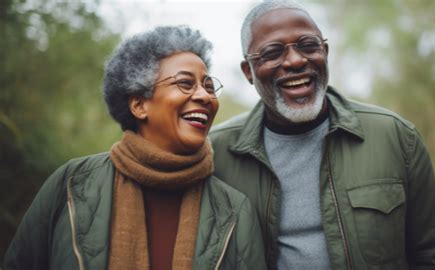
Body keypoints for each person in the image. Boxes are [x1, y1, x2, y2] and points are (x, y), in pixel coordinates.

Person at [210, 1, 435, 269]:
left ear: (324, 52)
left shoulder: (396, 137)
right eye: (272, 52)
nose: (295, 60)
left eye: (308, 45)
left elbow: (434, 255)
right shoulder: (217, 153)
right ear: (248, 71)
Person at [3, 25, 266, 270]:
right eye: (185, 83)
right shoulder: (71, 184)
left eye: (209, 86)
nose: (204, 96)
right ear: (139, 105)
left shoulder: (234, 209)